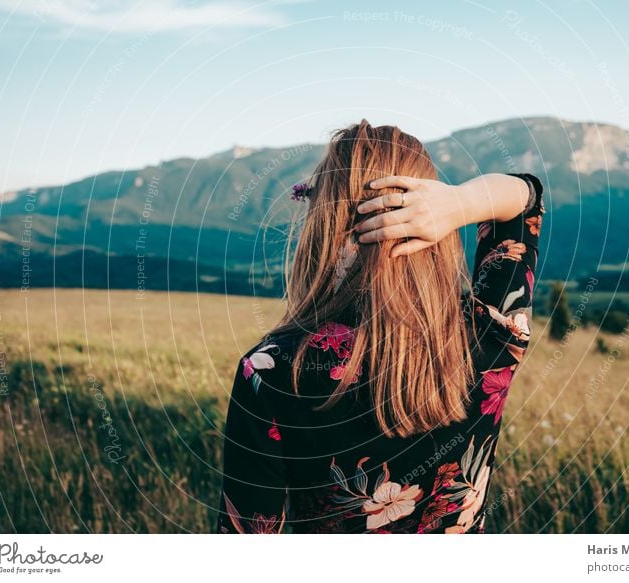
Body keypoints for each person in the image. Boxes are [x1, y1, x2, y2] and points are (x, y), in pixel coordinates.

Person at [217, 119, 545, 533]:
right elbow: (526, 200)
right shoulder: (491, 332)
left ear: (323, 222)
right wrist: (458, 203)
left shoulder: (271, 372)